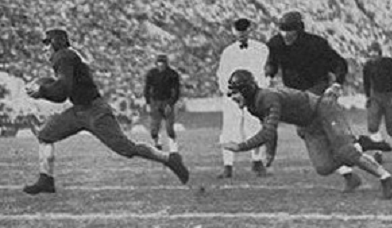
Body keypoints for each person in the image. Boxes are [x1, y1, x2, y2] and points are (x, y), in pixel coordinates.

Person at [22, 29, 189, 195]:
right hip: (79, 110)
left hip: (95, 111)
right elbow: (64, 91)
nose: (44, 48)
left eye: (46, 43)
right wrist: (46, 88)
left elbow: (62, 91)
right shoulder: (68, 56)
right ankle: (46, 180)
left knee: (127, 148)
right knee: (45, 135)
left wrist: (42, 90)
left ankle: (169, 159)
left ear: (56, 42)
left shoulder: (63, 56)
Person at [222, 69, 392, 199]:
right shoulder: (254, 105)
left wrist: (240, 147)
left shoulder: (267, 98)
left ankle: (387, 178)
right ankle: (354, 168)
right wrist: (271, 153)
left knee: (346, 152)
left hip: (324, 109)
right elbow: (270, 130)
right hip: (308, 124)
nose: (233, 97)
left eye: (235, 93)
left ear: (245, 90)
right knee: (323, 167)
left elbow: (267, 132)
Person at [265, 11, 364, 192]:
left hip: (317, 88)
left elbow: (339, 63)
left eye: (290, 30)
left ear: (299, 29)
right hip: (296, 92)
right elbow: (272, 62)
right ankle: (350, 170)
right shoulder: (276, 43)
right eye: (283, 30)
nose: (286, 34)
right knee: (311, 133)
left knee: (312, 128)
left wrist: (336, 85)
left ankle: (355, 152)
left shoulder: (316, 44)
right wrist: (269, 73)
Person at [216, 18, 270, 178]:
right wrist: (229, 92)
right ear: (234, 31)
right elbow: (222, 74)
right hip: (233, 96)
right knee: (229, 129)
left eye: (244, 31)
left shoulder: (261, 49)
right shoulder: (228, 52)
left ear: (249, 30)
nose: (241, 34)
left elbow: (265, 73)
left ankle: (257, 161)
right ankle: (228, 166)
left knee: (255, 127)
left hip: (253, 95)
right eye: (238, 31)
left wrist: (259, 92)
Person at [144, 54, 181, 152]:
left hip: (167, 101)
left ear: (166, 63)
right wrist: (148, 103)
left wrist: (171, 103)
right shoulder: (151, 73)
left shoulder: (172, 74)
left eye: (162, 63)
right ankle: (157, 144)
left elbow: (176, 91)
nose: (160, 65)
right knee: (154, 129)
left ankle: (173, 148)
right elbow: (147, 89)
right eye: (159, 62)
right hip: (155, 102)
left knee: (169, 128)